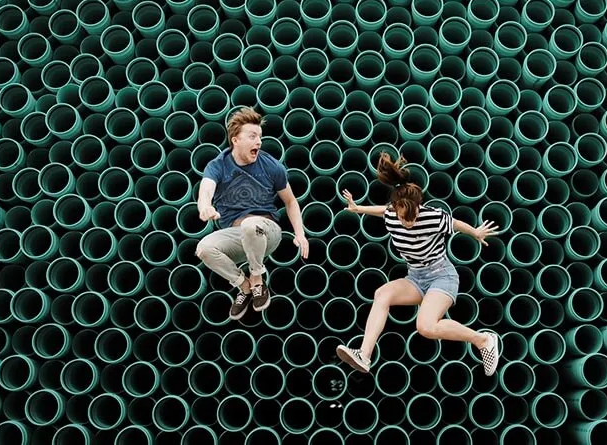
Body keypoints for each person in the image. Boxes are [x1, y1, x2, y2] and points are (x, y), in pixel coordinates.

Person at [336, 152, 501, 376]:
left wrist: (475, 232)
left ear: (419, 208)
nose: (409, 223)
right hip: (416, 277)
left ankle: (483, 340)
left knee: (425, 327)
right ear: (395, 210)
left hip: (442, 276)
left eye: (412, 217)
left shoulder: (432, 217)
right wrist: (358, 209)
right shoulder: (391, 214)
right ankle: (364, 356)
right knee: (382, 294)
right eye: (403, 218)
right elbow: (381, 211)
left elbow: (457, 223)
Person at [196, 107, 309, 321]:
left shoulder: (272, 166)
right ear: (235, 140)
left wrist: (300, 234)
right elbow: (206, 190)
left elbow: (290, 201)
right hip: (237, 235)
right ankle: (244, 286)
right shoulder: (217, 166)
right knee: (204, 249)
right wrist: (205, 207)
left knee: (251, 225)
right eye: (252, 136)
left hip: (268, 232)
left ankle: (257, 278)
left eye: (260, 137)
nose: (259, 141)